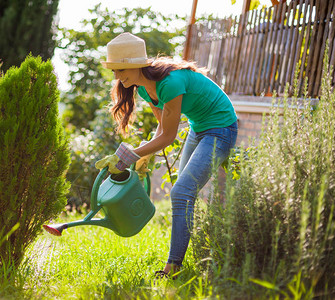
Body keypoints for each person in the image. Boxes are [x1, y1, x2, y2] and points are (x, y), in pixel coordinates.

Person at [95, 32, 238, 278]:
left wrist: (129, 155)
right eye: (114, 71)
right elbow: (162, 128)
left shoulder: (169, 83)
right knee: (183, 194)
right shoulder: (142, 89)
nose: (117, 77)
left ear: (135, 64)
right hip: (199, 128)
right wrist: (143, 154)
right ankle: (193, 254)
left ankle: (173, 268)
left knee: (181, 191)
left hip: (221, 128)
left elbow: (169, 137)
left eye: (120, 70)